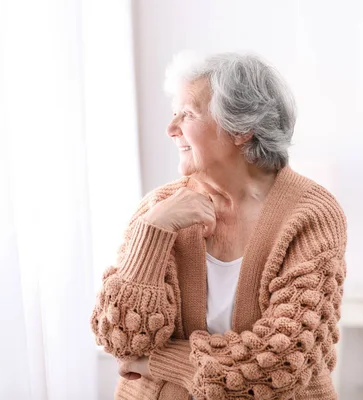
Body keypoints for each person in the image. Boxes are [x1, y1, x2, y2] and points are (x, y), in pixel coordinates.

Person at [91, 51, 347, 400]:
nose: (171, 129)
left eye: (189, 114)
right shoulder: (159, 209)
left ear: (241, 129)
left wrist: (162, 361)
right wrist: (152, 232)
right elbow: (119, 336)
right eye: (173, 114)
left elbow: (282, 363)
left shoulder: (311, 214)